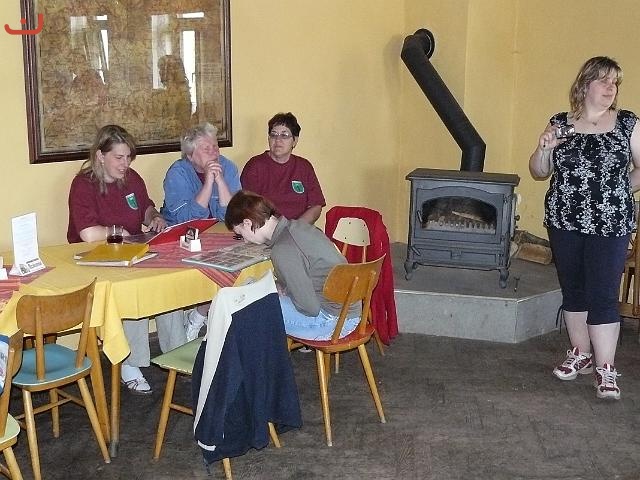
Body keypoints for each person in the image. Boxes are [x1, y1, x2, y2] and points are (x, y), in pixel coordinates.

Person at [529, 56, 640, 400]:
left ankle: (606, 369)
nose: (611, 88)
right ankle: (581, 354)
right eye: (604, 80)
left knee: (603, 293)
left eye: (615, 82)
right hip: (564, 220)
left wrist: (618, 190)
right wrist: (544, 148)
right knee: (574, 290)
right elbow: (538, 171)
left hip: (611, 222)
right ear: (585, 84)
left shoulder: (627, 124)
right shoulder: (560, 123)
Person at [67, 124, 186, 394]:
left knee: (165, 281)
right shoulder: (83, 185)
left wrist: (154, 217)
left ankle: (176, 352)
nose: (125, 164)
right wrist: (118, 232)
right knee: (134, 290)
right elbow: (88, 234)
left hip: (130, 251)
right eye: (119, 157)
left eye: (128, 157)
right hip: (94, 259)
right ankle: (130, 362)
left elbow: (145, 208)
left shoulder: (132, 179)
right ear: (100, 156)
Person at [225, 190, 361, 341]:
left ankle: (256, 355)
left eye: (240, 234)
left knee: (243, 306)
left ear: (247, 223)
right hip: (349, 311)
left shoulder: (283, 249)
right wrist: (283, 286)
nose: (245, 240)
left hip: (333, 322)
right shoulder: (299, 227)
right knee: (257, 295)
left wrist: (287, 290)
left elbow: (310, 308)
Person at [161, 122, 242, 340]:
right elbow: (187, 219)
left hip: (216, 236)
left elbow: (233, 216)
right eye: (207, 149)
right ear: (190, 155)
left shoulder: (228, 167)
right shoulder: (177, 173)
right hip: (180, 240)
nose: (214, 153)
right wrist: (208, 182)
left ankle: (199, 315)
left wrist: (220, 180)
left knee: (238, 268)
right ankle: (195, 321)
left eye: (216, 146)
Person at [241, 112, 325, 224]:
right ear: (269, 139)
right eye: (273, 135)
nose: (278, 140)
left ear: (294, 141)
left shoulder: (304, 167)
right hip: (266, 228)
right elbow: (249, 207)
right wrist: (276, 229)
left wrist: (296, 227)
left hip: (299, 228)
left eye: (284, 135)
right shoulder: (255, 166)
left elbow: (316, 206)